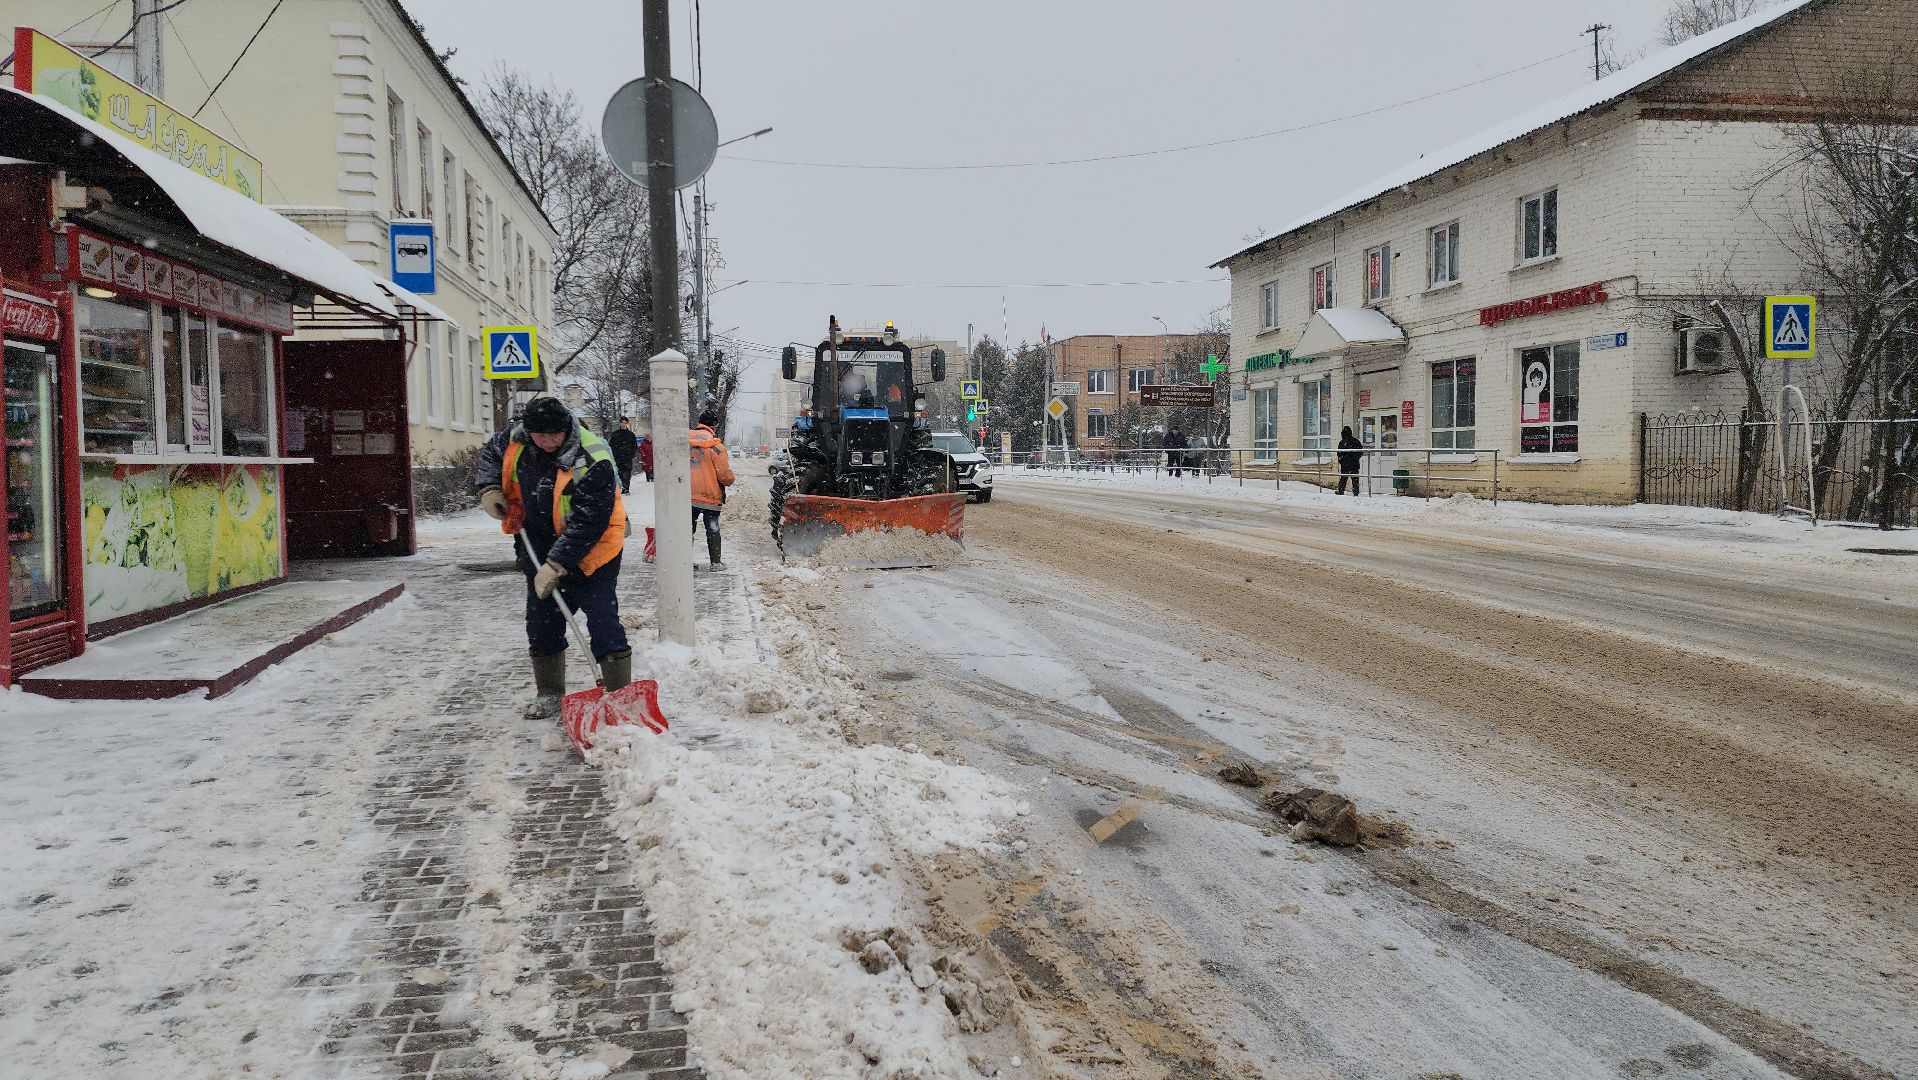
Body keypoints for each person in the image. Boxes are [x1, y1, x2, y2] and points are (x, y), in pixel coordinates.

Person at [474, 396, 629, 719]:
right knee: (542, 621)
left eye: (553, 436)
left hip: (594, 551)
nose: (546, 442)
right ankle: (549, 693)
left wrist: (557, 564)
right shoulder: (516, 438)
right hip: (538, 543)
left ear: (566, 429)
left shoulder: (593, 457)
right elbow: (491, 453)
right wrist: (488, 487)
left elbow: (589, 523)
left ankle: (619, 694)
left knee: (603, 619)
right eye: (539, 436)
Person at [690, 409, 735, 570]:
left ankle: (684, 561)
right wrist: (731, 478)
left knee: (687, 529)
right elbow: (724, 476)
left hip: (687, 495)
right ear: (714, 426)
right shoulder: (717, 447)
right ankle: (715, 563)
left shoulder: (685, 442)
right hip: (710, 495)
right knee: (712, 528)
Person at [609, 416, 641, 494]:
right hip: (618, 458)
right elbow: (611, 445)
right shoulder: (615, 434)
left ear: (627, 424)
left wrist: (631, 454)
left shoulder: (630, 435)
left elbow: (634, 446)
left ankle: (626, 488)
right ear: (620, 423)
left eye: (625, 423)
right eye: (622, 423)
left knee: (627, 473)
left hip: (627, 458)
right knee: (619, 473)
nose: (623, 424)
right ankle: (620, 487)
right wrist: (614, 454)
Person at [1336, 425, 1364, 496]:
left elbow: (1339, 453)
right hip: (1354, 463)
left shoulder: (1342, 442)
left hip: (1345, 464)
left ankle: (1341, 490)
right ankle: (1356, 491)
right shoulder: (1356, 441)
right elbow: (1361, 452)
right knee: (1355, 478)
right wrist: (1355, 458)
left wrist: (1342, 461)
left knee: (1343, 478)